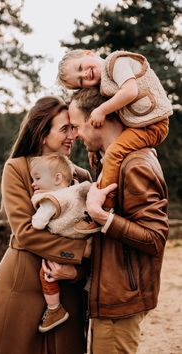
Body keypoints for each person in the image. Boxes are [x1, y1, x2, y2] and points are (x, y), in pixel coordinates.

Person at [0, 96, 92, 354]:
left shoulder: (81, 176)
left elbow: (91, 232)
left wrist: (75, 273)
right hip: (22, 284)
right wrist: (80, 252)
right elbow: (26, 233)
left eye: (73, 128)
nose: (72, 135)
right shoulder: (16, 169)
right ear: (42, 134)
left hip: (67, 289)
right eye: (64, 129)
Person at [68, 87, 169, 354]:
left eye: (77, 126)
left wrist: (103, 217)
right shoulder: (113, 160)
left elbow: (155, 237)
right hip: (112, 294)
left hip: (121, 299)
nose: (75, 135)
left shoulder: (134, 164)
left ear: (97, 120)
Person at [57, 49, 172, 213]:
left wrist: (101, 110)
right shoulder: (106, 83)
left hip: (153, 125)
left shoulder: (117, 62)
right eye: (80, 81)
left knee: (114, 153)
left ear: (88, 53)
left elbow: (131, 91)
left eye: (81, 67)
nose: (85, 75)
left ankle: (105, 204)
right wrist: (94, 148)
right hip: (141, 123)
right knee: (110, 153)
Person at [29, 153, 94, 333]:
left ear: (57, 178)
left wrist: (38, 204)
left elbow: (37, 223)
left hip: (64, 247)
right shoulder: (79, 189)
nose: (33, 184)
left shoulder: (52, 200)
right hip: (86, 238)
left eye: (37, 178)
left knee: (46, 275)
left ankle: (54, 309)